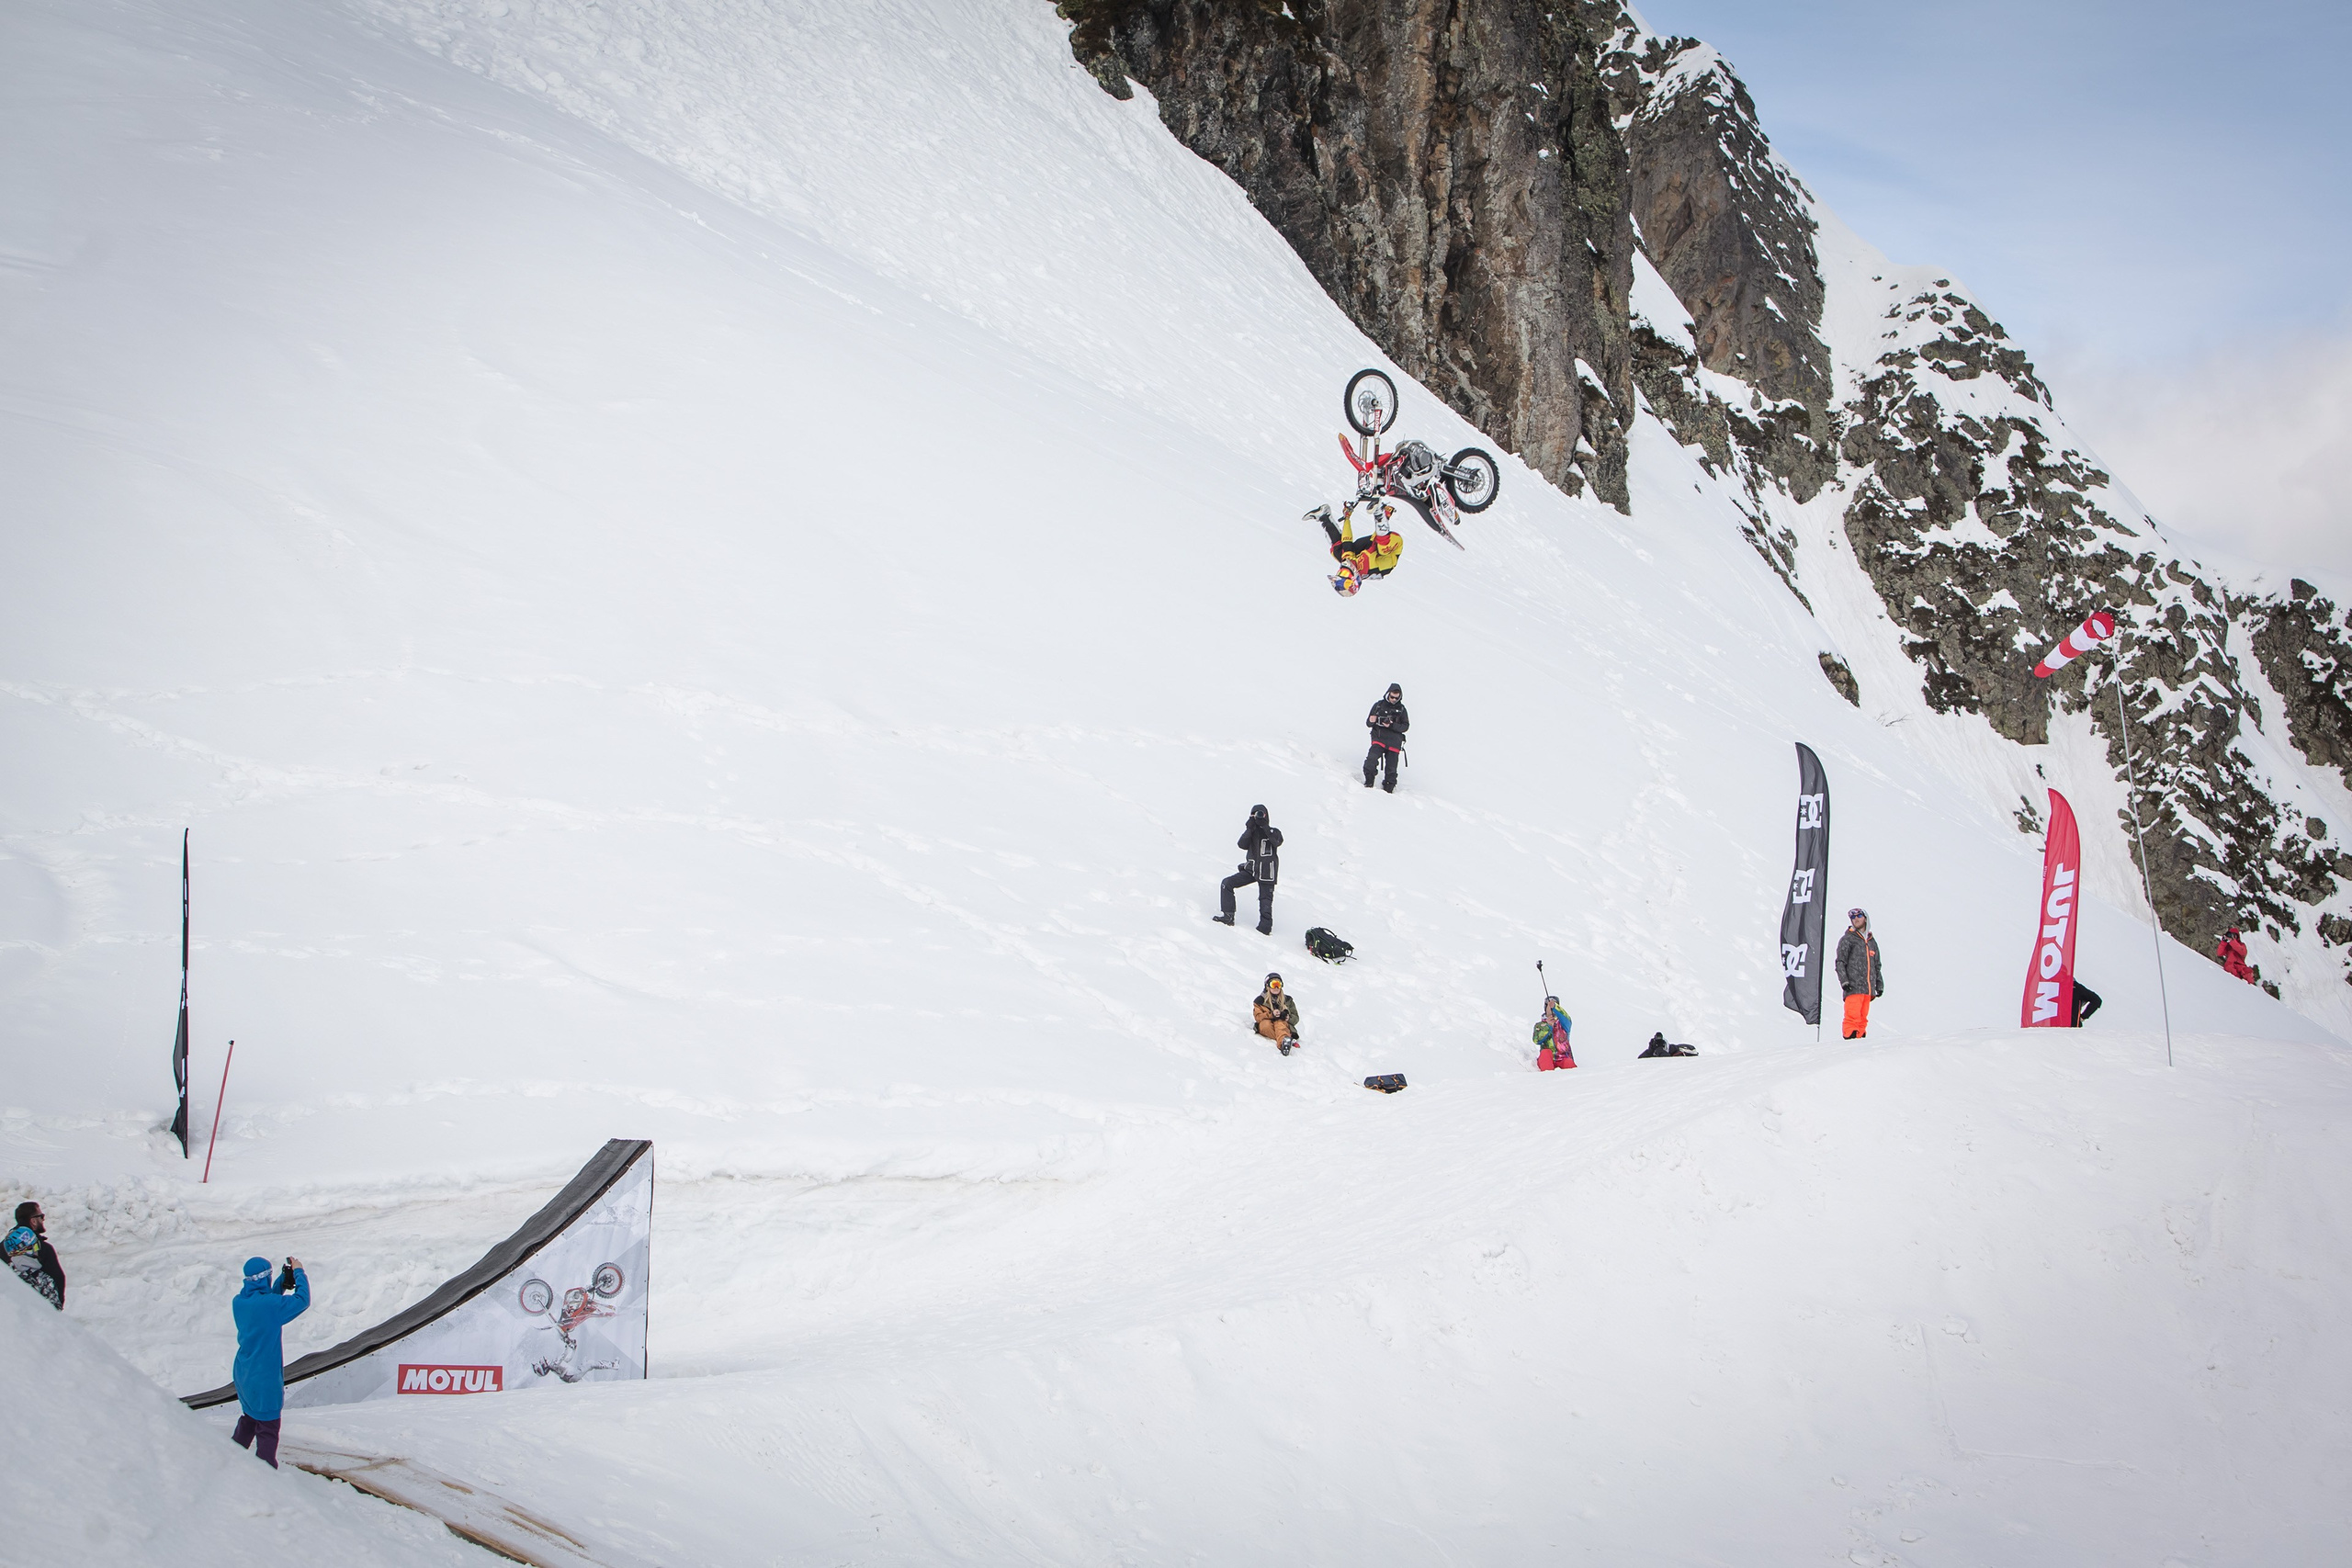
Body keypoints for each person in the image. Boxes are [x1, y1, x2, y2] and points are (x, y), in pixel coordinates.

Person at [230, 1254, 310, 1468]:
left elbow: (265, 1305)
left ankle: (230, 1460)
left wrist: (282, 1283)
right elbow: (302, 1300)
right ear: (266, 1277)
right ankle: (266, 1477)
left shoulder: (239, 1302)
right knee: (268, 1428)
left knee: (249, 1419)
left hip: (244, 1374)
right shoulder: (270, 1305)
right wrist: (299, 1272)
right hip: (264, 1378)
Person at [1306, 502, 1404, 597]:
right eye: (1344, 573)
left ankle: (1324, 516)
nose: (1342, 568)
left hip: (1370, 546)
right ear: (1354, 578)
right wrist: (1385, 516)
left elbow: (1347, 541)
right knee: (1381, 548)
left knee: (1338, 553)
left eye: (1340, 572)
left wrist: (1347, 517)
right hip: (1392, 548)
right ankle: (1380, 512)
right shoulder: (1371, 567)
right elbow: (1377, 544)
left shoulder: (1349, 563)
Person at [1216, 805, 1283, 935]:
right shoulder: (1252, 832)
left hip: (1267, 872)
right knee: (1227, 883)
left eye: (1260, 814)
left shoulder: (1273, 831)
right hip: (1251, 869)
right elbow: (1241, 844)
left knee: (1265, 900)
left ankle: (1265, 929)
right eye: (1254, 814)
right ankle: (1228, 916)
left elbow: (1277, 841)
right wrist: (1249, 828)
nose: (1258, 816)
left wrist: (1265, 826)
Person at [1835, 908, 1884, 1039]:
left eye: (1859, 916)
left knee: (1863, 1018)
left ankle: (1860, 1039)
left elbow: (1876, 965)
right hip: (1853, 987)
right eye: (1853, 917)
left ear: (1865, 918)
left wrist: (1879, 984)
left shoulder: (1871, 941)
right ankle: (1850, 1038)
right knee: (1852, 1016)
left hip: (1868, 988)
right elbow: (1840, 962)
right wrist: (1844, 981)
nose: (1856, 919)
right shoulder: (1848, 939)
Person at [6, 1200, 64, 1309]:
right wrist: (58, 1306)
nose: (43, 1220)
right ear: (33, 1221)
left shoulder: (5, 1245)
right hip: (40, 1308)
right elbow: (58, 1278)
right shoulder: (43, 1247)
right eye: (41, 1216)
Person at [1363, 682, 1409, 792]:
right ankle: (1368, 784)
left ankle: (1388, 793)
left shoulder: (1402, 709)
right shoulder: (1378, 705)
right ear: (1388, 694)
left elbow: (1405, 726)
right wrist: (1372, 720)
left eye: (1396, 698)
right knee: (1371, 761)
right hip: (1379, 739)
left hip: (1394, 743)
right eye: (1392, 697)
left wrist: (1392, 725)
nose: (1394, 700)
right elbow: (1368, 723)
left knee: (1391, 771)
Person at [1253, 973, 1302, 1055]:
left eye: (1278, 985)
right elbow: (1258, 1017)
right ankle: (1286, 1038)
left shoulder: (1288, 1000)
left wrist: (1288, 1018)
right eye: (1273, 984)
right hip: (1267, 1026)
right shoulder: (1260, 1001)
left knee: (1280, 1023)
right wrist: (1271, 1015)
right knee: (1266, 1024)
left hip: (1283, 1025)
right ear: (1267, 986)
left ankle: (1283, 1043)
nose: (1276, 988)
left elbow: (1296, 1018)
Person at [1532, 996, 1575, 1069]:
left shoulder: (1563, 1024)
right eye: (1548, 1006)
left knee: (1568, 1062)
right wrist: (1548, 1026)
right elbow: (1537, 1040)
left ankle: (1572, 1075)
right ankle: (1548, 1074)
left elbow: (1567, 1018)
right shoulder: (1540, 1025)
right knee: (1545, 1053)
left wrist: (1555, 1007)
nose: (1551, 1010)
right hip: (1548, 1058)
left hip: (1563, 1057)